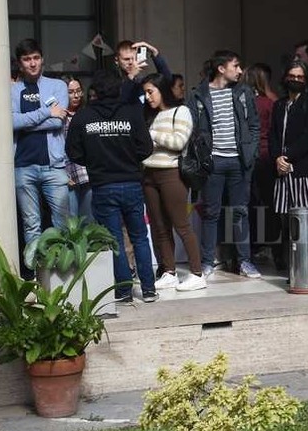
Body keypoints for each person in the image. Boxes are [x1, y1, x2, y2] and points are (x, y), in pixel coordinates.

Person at [67, 71, 157, 304]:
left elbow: (73, 152)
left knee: (114, 240)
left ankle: (124, 292)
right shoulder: (132, 113)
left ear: (94, 92)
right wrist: (128, 159)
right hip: (131, 182)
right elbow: (146, 148)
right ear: (118, 90)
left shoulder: (83, 117)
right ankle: (148, 289)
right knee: (139, 237)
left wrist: (96, 161)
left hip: (103, 185)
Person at [186, 51, 262, 280]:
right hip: (213, 161)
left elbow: (254, 125)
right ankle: (208, 262)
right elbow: (193, 129)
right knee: (211, 213)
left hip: (239, 162)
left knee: (240, 212)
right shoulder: (199, 95)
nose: (240, 71)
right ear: (221, 68)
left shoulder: (243, 92)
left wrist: (251, 151)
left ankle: (245, 261)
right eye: (236, 66)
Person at [140, 73, 206, 292]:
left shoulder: (182, 111)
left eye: (151, 91)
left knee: (182, 226)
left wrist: (152, 135)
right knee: (160, 228)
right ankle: (169, 271)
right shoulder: (150, 115)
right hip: (149, 174)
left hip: (172, 174)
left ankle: (197, 273)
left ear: (162, 90)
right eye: (145, 93)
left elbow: (178, 142)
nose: (148, 97)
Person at [10, 38, 72, 265]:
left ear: (42, 59)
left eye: (36, 58)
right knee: (31, 224)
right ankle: (38, 276)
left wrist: (27, 121)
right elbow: (11, 123)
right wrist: (46, 112)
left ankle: (63, 271)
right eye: (27, 59)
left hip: (53, 166)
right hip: (22, 166)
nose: (32, 63)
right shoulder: (13, 90)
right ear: (20, 63)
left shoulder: (57, 86)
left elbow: (59, 122)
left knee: (62, 222)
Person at [269, 58, 308, 264]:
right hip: (283, 172)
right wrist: (277, 158)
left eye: (300, 77)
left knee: (307, 221)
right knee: (287, 221)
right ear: (285, 78)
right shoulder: (279, 105)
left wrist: (288, 156)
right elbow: (273, 135)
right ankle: (292, 265)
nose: (296, 80)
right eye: (292, 76)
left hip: (306, 170)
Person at [246, 62, 279, 258]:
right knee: (270, 203)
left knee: (249, 203)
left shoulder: (244, 104)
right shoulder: (269, 103)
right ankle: (274, 248)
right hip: (266, 156)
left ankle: (251, 247)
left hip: (249, 157)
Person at [62, 77, 91, 221]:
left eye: (79, 91)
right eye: (71, 92)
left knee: (89, 221)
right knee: (71, 223)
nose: (76, 95)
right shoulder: (59, 117)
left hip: (87, 174)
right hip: (66, 175)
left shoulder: (87, 113)